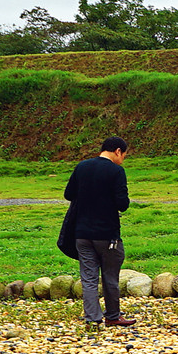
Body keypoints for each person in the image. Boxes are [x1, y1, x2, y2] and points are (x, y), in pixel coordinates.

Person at [65, 135, 134, 329]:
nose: (123, 160)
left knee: (88, 278)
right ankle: (112, 315)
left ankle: (93, 319)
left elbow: (68, 194)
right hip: (107, 234)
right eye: (124, 156)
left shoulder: (82, 167)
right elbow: (123, 204)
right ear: (118, 151)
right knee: (110, 277)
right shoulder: (116, 171)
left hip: (82, 233)